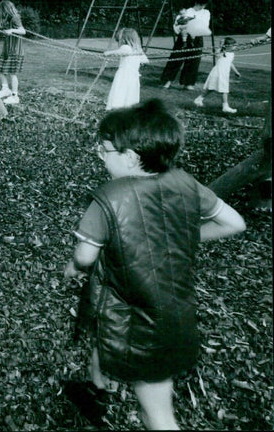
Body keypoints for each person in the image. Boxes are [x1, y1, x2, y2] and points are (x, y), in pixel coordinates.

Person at [63, 98, 246, 430]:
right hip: (161, 305)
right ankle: (96, 389)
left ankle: (108, 393)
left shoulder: (108, 198)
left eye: (104, 150)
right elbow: (234, 223)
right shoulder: (186, 183)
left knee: (158, 413)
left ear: (131, 158)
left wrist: (75, 265)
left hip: (143, 323)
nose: (99, 156)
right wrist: (178, 238)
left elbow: (84, 256)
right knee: (102, 329)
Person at [161, 0, 211, 90]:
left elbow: (205, 25)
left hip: (197, 38)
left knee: (193, 61)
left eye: (204, 4)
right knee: (176, 58)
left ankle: (188, 83)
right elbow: (177, 25)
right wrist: (184, 24)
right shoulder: (186, 11)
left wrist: (191, 22)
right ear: (196, 2)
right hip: (184, 37)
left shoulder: (206, 12)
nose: (202, 6)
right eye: (201, 4)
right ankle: (168, 81)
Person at [104, 27, 149, 111]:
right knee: (130, 91)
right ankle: (128, 107)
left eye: (120, 40)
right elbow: (146, 60)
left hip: (124, 74)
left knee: (120, 89)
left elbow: (122, 52)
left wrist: (108, 53)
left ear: (124, 39)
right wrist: (140, 61)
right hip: (133, 75)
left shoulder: (126, 47)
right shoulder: (138, 50)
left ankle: (117, 106)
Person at [193, 37, 241, 113]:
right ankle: (225, 106)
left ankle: (199, 99)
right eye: (233, 45)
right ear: (227, 45)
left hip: (224, 73)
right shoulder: (221, 52)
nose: (235, 47)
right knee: (223, 89)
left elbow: (230, 63)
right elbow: (217, 54)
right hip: (218, 72)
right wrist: (221, 45)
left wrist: (236, 72)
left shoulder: (232, 54)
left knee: (211, 88)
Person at [0, 0, 27, 104]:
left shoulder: (15, 18)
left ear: (5, 10)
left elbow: (23, 31)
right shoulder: (7, 18)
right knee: (0, 70)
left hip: (15, 50)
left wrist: (11, 30)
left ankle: (15, 96)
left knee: (12, 74)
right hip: (7, 50)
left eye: (0, 11)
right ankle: (5, 89)